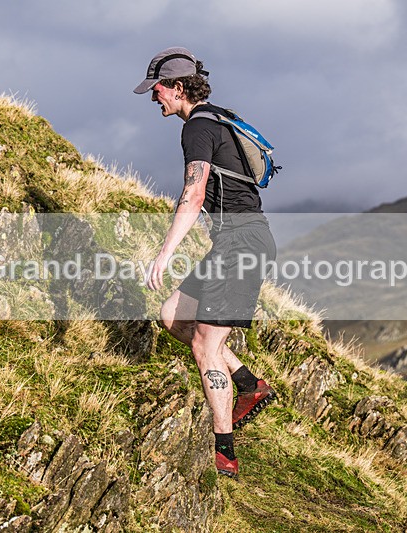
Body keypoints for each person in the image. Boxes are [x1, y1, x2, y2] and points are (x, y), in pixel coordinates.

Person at [134, 47, 277, 479]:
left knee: (204, 345)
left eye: (156, 90)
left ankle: (225, 452)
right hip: (238, 242)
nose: (152, 97)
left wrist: (165, 253)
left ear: (177, 88)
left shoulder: (197, 127)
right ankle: (250, 386)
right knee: (172, 315)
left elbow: (193, 194)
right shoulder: (218, 117)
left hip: (242, 245)